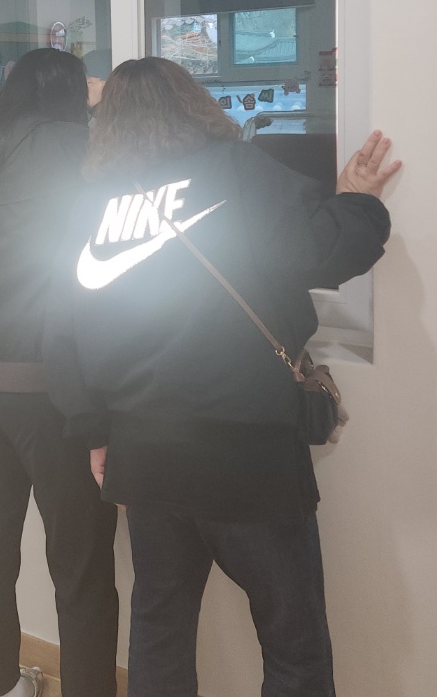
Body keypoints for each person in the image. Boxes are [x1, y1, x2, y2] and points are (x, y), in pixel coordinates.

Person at [44, 57, 401, 697]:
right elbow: (323, 250)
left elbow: (62, 332)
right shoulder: (235, 169)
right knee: (293, 646)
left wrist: (95, 431)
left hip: (143, 453)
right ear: (193, 103)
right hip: (247, 452)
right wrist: (358, 201)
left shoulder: (89, 205)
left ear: (108, 122)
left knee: (160, 633)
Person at [0, 47, 119, 697]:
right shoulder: (75, 145)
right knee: (80, 565)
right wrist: (103, 105)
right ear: (72, 96)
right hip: (48, 389)